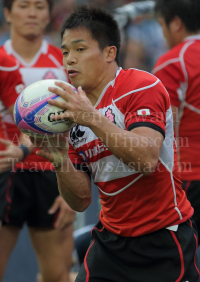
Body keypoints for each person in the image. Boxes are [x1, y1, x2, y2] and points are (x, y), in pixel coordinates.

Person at [32, 6, 199, 282]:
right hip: (110, 243)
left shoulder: (141, 86)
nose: (69, 60)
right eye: (64, 52)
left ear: (110, 53)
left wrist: (91, 118)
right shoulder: (71, 114)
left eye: (80, 49)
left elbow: (146, 160)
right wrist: (61, 160)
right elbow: (81, 200)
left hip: (162, 239)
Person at [0, 1, 75, 282]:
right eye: (23, 5)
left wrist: (74, 187)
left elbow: (82, 127)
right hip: (5, 172)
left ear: (49, 14)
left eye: (40, 6)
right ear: (7, 13)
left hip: (50, 172)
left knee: (57, 275)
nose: (32, 13)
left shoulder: (66, 63)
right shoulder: (2, 60)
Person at [152, 0, 200, 245]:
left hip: (189, 178)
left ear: (176, 23)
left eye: (162, 25)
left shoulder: (174, 61)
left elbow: (165, 132)